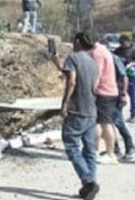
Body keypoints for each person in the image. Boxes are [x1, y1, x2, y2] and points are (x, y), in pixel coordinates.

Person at [59, 32, 101, 200]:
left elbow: (72, 82)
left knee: (71, 146)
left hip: (77, 110)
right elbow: (95, 86)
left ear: (77, 41)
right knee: (89, 149)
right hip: (92, 110)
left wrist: (64, 103)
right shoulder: (93, 63)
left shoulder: (73, 58)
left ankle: (89, 181)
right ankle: (90, 186)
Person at [89, 36, 120, 165]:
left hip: (103, 92)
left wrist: (90, 91)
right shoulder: (102, 50)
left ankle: (110, 153)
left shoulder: (97, 53)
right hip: (107, 91)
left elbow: (97, 74)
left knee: (105, 124)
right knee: (99, 123)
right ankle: (94, 150)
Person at [110, 53, 135, 161]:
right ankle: (114, 147)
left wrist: (123, 94)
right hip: (105, 95)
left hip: (115, 95)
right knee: (108, 123)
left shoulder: (114, 58)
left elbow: (124, 77)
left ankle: (130, 146)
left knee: (118, 122)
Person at [113, 35, 135, 121]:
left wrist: (129, 62)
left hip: (131, 74)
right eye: (120, 43)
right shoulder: (118, 51)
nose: (122, 44)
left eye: (123, 43)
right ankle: (118, 114)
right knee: (119, 95)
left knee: (133, 95)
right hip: (120, 75)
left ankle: (134, 114)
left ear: (128, 42)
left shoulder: (134, 50)